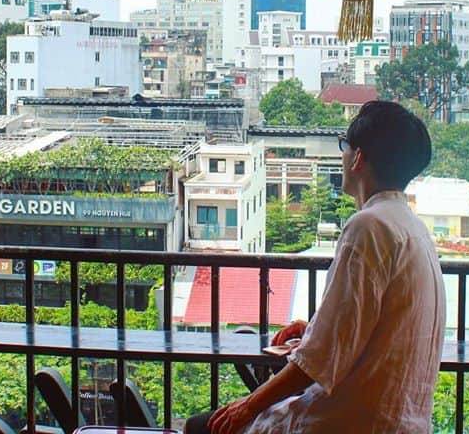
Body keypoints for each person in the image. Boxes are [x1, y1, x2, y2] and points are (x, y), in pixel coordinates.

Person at [185, 101, 446, 434]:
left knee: (201, 427)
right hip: (401, 420)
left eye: (344, 146)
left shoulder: (368, 227)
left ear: (358, 158)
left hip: (349, 422)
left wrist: (247, 406)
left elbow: (322, 360)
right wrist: (315, 330)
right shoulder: (412, 228)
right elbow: (367, 330)